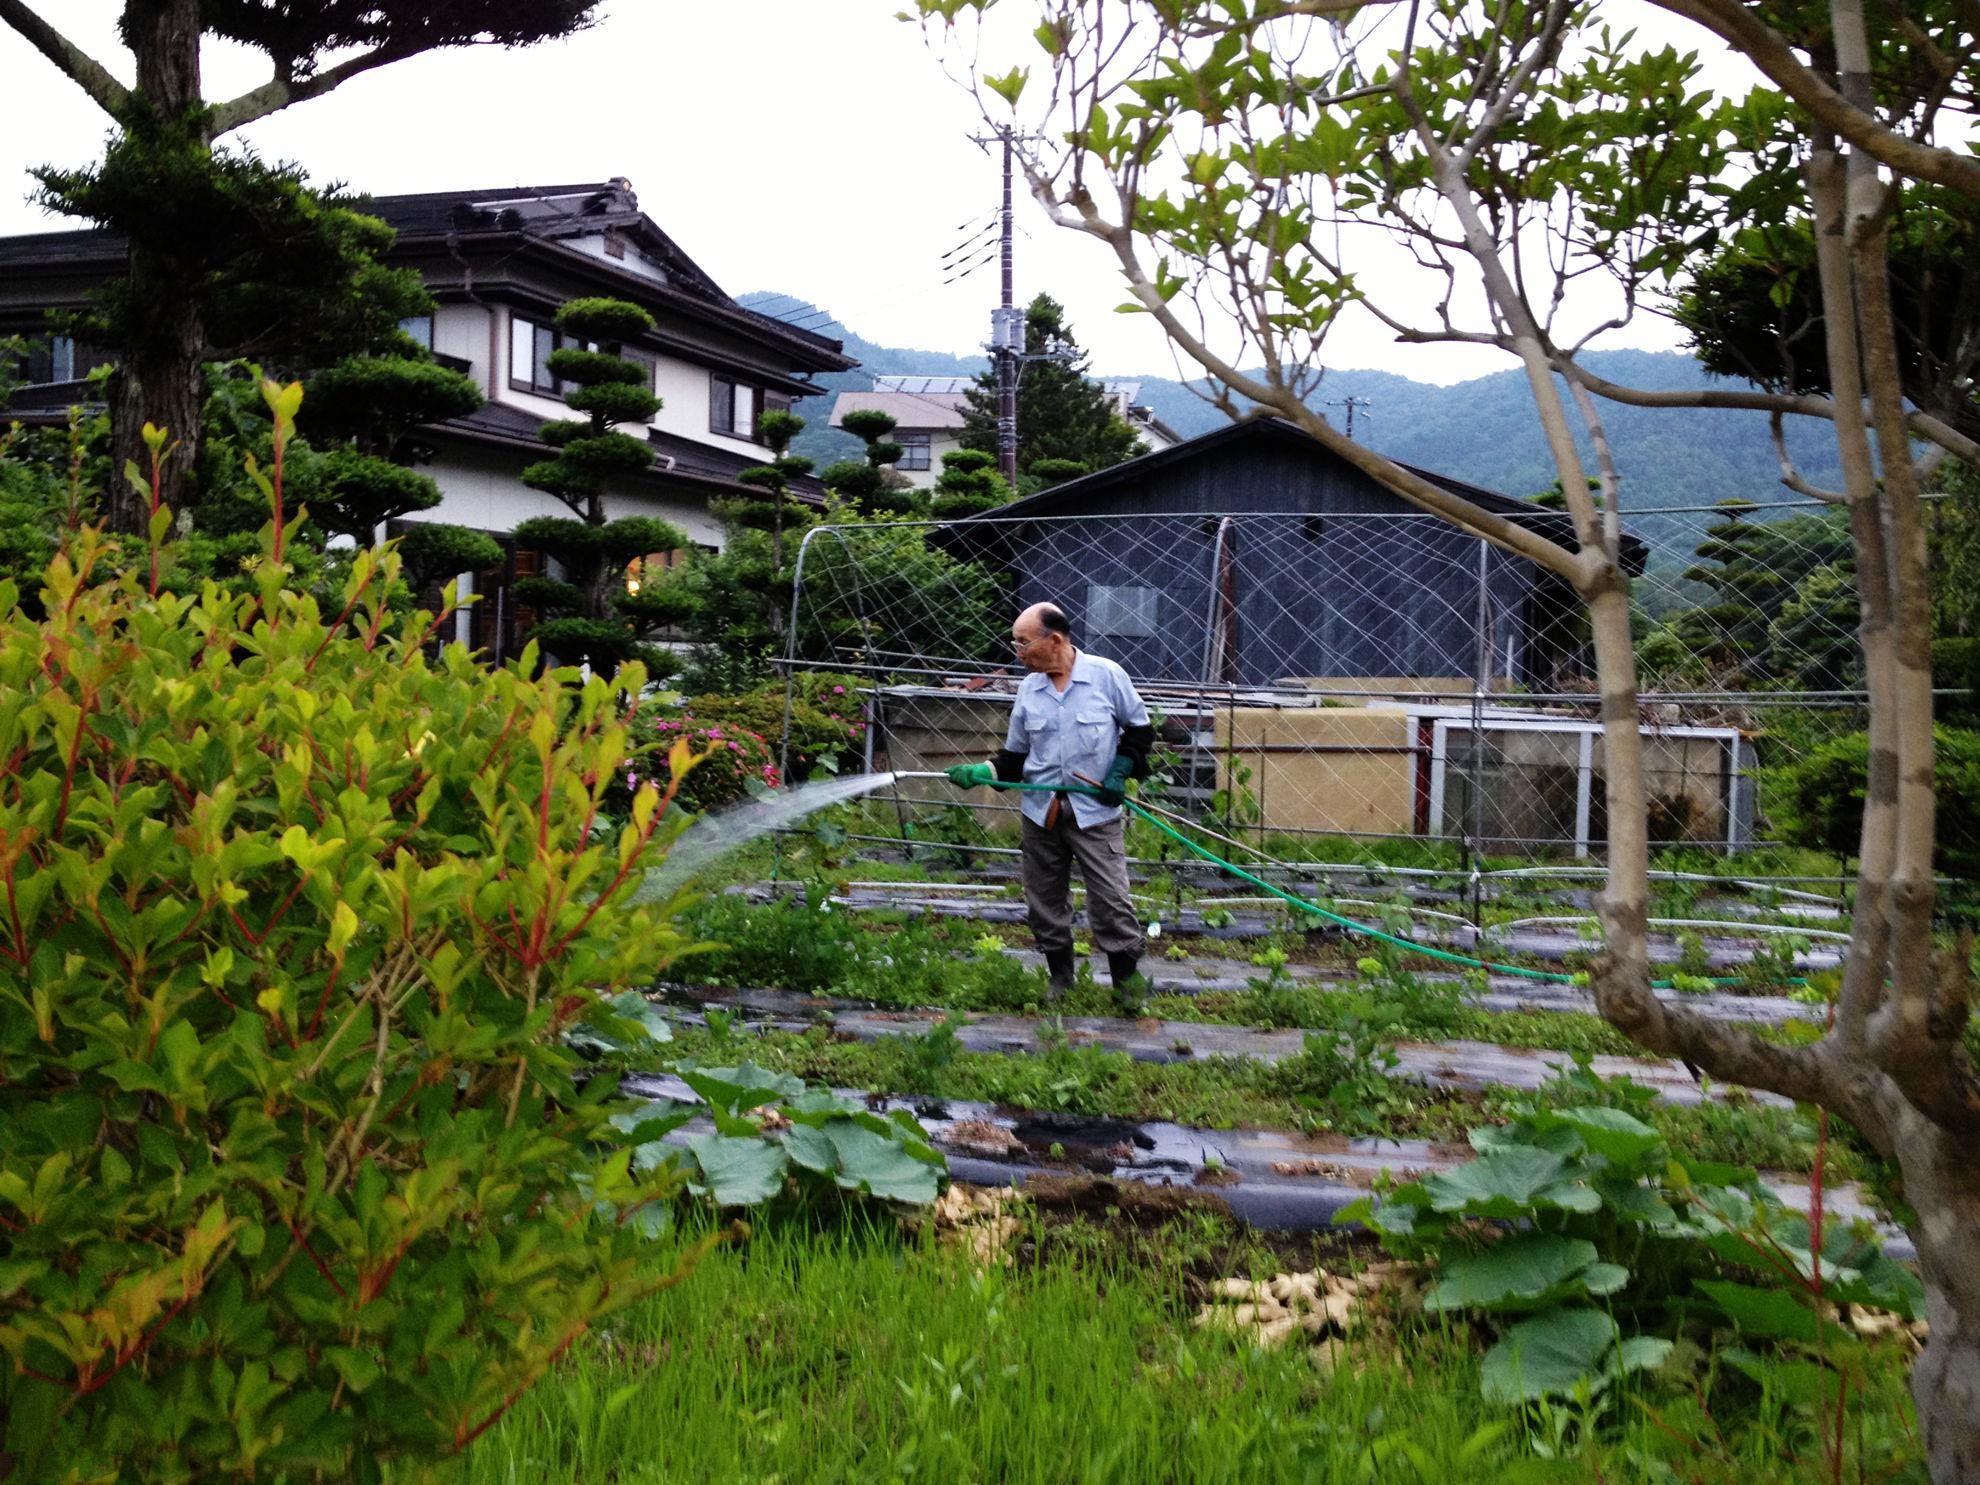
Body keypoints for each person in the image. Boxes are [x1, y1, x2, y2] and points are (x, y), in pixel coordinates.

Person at [946, 602, 1155, 1001]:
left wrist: (1118, 773)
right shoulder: (1029, 689)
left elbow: (1139, 733)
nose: (1018, 652)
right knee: (1044, 899)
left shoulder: (1107, 677)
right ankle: (1061, 975)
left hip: (1095, 812)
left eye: (1023, 643)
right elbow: (1015, 759)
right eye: (1016, 643)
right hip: (1042, 815)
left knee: (1111, 899)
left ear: (1054, 639)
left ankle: (1126, 982)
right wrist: (980, 773)